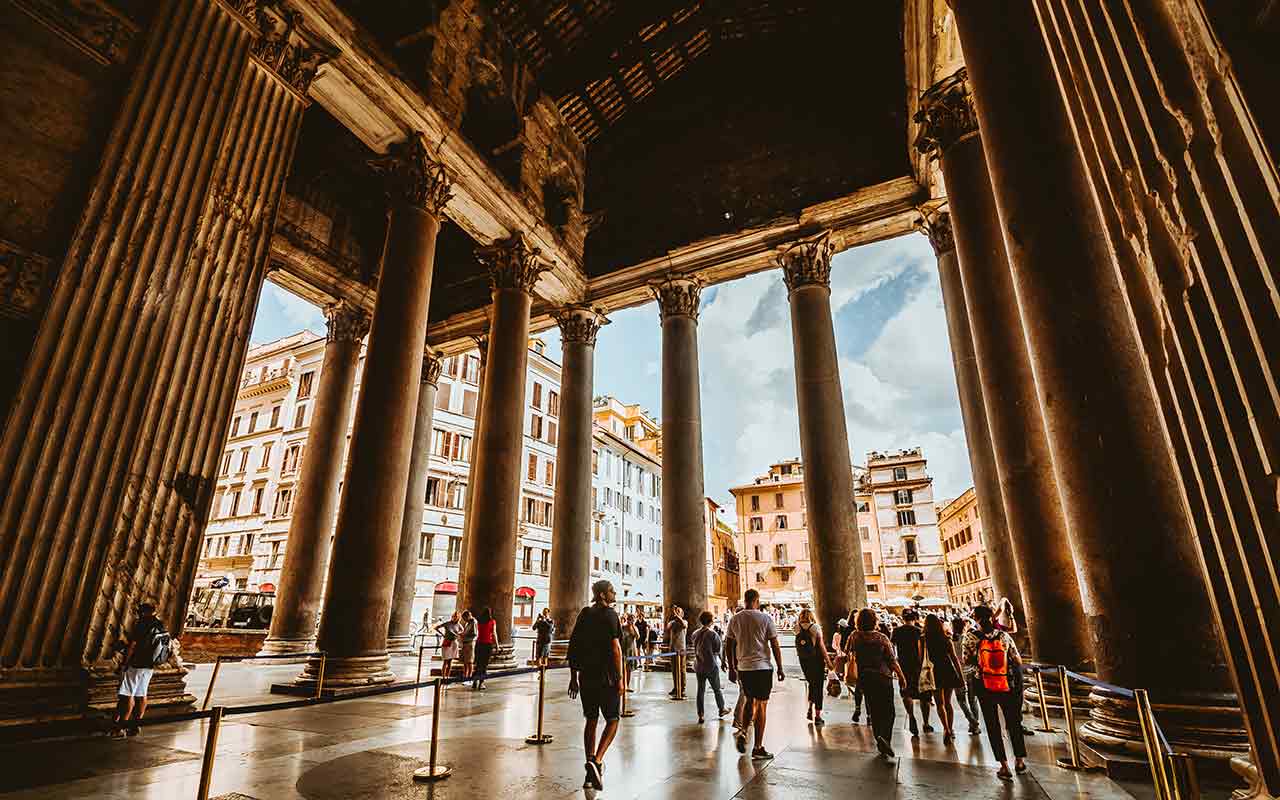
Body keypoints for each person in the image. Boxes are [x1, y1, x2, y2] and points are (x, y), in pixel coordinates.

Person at [567, 580, 625, 790]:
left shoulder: (584, 614)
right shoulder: (610, 615)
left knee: (591, 720)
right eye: (611, 591)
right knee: (613, 719)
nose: (614, 593)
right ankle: (597, 760)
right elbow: (616, 649)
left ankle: (590, 773)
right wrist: (620, 680)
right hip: (607, 677)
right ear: (602, 595)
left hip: (586, 677)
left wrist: (574, 677)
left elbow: (574, 645)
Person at [963, 604, 1027, 779]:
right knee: (1013, 722)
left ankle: (1004, 766)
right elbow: (1017, 660)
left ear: (975, 618)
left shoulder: (969, 637)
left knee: (992, 725)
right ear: (992, 617)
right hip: (1006, 684)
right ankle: (1019, 761)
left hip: (984, 685)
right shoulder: (1004, 636)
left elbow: (966, 661)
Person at [725, 589, 785, 761]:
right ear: (757, 600)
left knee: (749, 700)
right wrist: (780, 667)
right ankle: (758, 747)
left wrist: (731, 667)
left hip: (744, 668)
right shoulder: (766, 618)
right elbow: (774, 645)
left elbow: (728, 644)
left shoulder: (735, 619)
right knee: (762, 706)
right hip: (763, 667)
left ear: (745, 600)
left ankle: (743, 731)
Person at [848, 608, 908, 758]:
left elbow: (847, 652)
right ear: (875, 621)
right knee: (889, 711)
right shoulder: (881, 638)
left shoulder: (854, 636)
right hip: (883, 677)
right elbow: (892, 660)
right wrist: (901, 676)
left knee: (874, 710)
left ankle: (879, 739)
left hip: (865, 678)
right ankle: (885, 738)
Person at [111, 600, 170, 738]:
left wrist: (125, 663)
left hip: (136, 664)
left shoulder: (142, 624)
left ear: (144, 612)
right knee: (142, 694)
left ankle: (122, 727)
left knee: (127, 695)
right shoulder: (160, 624)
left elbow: (133, 645)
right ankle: (136, 724)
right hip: (149, 666)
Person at [921, 613, 966, 741]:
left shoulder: (923, 639)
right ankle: (951, 729)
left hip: (934, 672)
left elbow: (921, 658)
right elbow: (955, 659)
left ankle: (945, 728)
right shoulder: (946, 639)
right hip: (947, 671)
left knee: (939, 703)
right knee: (948, 703)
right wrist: (961, 677)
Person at [890, 608, 932, 736]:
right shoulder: (919, 632)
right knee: (924, 695)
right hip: (919, 666)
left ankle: (911, 716)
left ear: (903, 618)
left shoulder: (896, 631)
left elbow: (892, 647)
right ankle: (925, 722)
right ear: (914, 618)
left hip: (903, 665)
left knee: (906, 692)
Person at [794, 609, 833, 726]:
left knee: (811, 683)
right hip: (816, 660)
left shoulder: (796, 628)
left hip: (804, 661)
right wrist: (828, 662)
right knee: (818, 686)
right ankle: (817, 716)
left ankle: (810, 708)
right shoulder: (815, 628)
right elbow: (821, 646)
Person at [690, 611, 728, 723]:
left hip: (699, 665)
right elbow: (717, 650)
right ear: (711, 621)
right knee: (716, 689)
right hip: (711, 666)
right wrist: (723, 662)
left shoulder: (695, 633)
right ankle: (721, 709)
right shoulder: (713, 634)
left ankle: (700, 714)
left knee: (700, 690)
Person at [951, 615, 981, 734]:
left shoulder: (950, 641)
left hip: (957, 674)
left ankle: (972, 720)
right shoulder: (968, 638)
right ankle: (974, 726)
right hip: (971, 672)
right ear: (964, 626)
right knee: (973, 699)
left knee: (961, 700)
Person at [666, 605, 688, 700]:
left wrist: (676, 615)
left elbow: (683, 625)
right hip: (673, 649)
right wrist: (671, 615)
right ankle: (676, 687)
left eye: (678, 611)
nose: (676, 612)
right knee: (674, 670)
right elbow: (667, 627)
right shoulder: (672, 622)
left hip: (681, 649)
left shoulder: (684, 622)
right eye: (676, 611)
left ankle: (682, 689)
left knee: (682, 670)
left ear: (682, 614)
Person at [435, 610, 462, 682]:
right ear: (452, 617)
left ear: (458, 618)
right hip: (447, 642)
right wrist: (443, 634)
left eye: (456, 617)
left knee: (450, 661)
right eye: (454, 616)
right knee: (445, 661)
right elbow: (436, 627)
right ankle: (443, 677)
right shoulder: (447, 623)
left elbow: (462, 630)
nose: (455, 618)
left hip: (454, 643)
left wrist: (458, 634)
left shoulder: (458, 625)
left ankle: (447, 677)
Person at [472, 608, 496, 690]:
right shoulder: (492, 622)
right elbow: (494, 634)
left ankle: (474, 681)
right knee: (484, 665)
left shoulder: (478, 621)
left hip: (478, 644)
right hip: (487, 644)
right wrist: (497, 645)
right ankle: (481, 683)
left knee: (478, 664)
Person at [619, 613, 638, 690]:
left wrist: (632, 627)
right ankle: (623, 685)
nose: (631, 621)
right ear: (628, 619)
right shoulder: (623, 627)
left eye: (633, 619)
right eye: (630, 619)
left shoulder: (635, 628)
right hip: (624, 649)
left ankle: (627, 685)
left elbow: (637, 636)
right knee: (623, 669)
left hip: (631, 650)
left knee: (629, 669)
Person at [459, 609, 477, 681]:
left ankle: (469, 677)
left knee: (469, 661)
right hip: (466, 643)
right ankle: (465, 676)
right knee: (465, 661)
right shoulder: (468, 623)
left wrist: (463, 634)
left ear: (468, 616)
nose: (464, 620)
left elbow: (474, 633)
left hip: (470, 643)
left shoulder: (473, 622)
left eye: (465, 618)